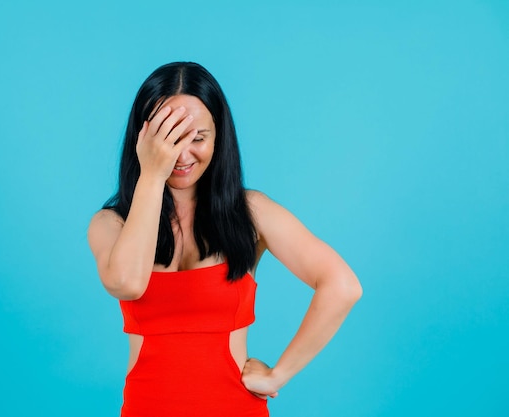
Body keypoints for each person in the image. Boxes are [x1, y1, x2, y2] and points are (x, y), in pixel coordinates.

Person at [87, 62, 362, 417]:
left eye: (198, 138)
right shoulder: (111, 223)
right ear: (143, 139)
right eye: (169, 139)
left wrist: (279, 374)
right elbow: (126, 283)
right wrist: (152, 174)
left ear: (219, 137)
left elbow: (343, 285)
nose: (182, 156)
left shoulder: (251, 213)